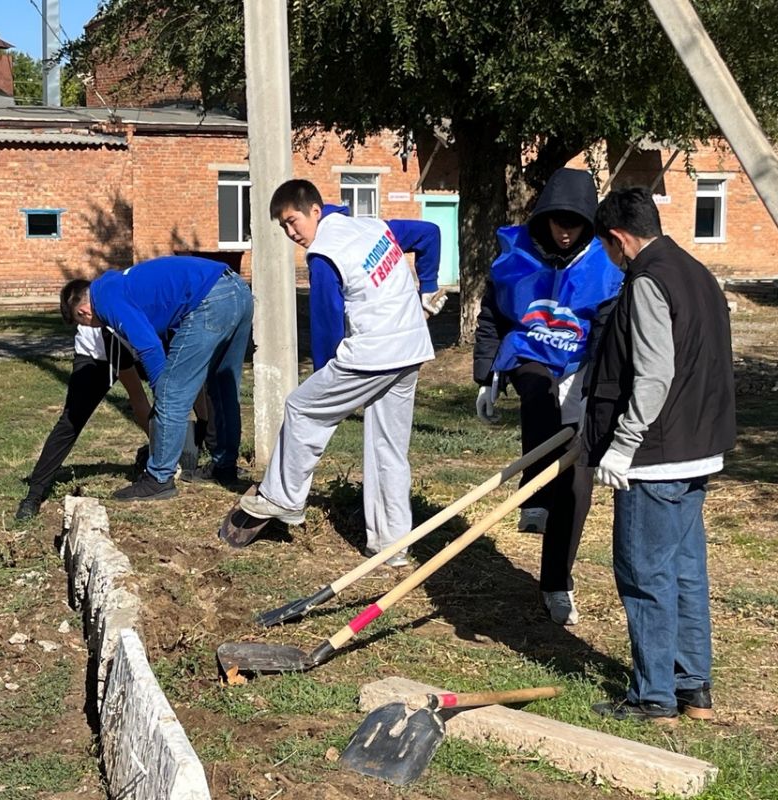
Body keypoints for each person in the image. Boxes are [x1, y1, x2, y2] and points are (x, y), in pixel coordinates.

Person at [583, 186, 736, 725]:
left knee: (645, 572)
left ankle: (654, 698)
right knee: (687, 571)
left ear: (619, 239)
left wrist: (621, 447)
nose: (610, 257)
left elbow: (653, 375)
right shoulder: (697, 272)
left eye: (607, 247)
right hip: (699, 448)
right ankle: (693, 690)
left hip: (658, 454)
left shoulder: (648, 280)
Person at [237, 179, 444, 565]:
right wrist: (426, 290)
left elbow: (327, 324)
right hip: (412, 348)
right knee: (388, 448)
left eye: (293, 221)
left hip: (372, 354)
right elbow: (429, 234)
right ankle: (391, 546)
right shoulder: (373, 225)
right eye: (283, 226)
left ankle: (285, 499)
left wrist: (322, 376)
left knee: (302, 408)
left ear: (316, 210)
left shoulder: (324, 253)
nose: (290, 232)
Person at [471, 167, 624, 625]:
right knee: (536, 392)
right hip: (529, 357)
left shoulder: (605, 265)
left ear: (589, 225)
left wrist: (592, 391)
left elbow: (605, 334)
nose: (565, 231)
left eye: (575, 223)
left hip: (580, 369)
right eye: (557, 221)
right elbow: (491, 317)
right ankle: (533, 496)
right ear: (543, 218)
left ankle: (557, 582)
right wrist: (486, 376)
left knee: (576, 481)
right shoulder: (516, 255)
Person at [60, 254, 254, 501]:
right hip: (238, 290)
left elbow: (149, 346)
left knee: (170, 393)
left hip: (210, 299)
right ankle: (224, 467)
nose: (95, 326)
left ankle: (158, 478)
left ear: (83, 311)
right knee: (223, 387)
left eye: (86, 323)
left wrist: (161, 391)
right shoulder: (120, 283)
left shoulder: (105, 297)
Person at [13, 324, 218, 521]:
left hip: (140, 342)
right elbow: (138, 399)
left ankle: (211, 454)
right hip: (100, 353)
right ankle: (35, 493)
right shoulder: (109, 328)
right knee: (72, 420)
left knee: (195, 378)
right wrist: (164, 446)